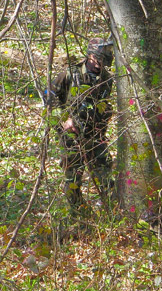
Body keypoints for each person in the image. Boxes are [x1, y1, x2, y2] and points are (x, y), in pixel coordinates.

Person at [46, 38, 115, 211]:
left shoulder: (107, 79)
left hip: (96, 135)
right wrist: (64, 120)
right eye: (99, 59)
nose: (101, 65)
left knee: (105, 173)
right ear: (91, 56)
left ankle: (110, 211)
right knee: (73, 177)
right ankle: (78, 213)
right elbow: (49, 98)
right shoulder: (70, 73)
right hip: (71, 137)